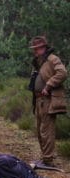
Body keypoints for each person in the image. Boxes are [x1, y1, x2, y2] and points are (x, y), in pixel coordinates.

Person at [29, 36, 68, 167]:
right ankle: (45, 158)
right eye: (34, 49)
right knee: (40, 131)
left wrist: (49, 85)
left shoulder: (52, 59)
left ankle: (48, 160)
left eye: (37, 49)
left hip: (48, 100)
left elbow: (62, 73)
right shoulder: (39, 61)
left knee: (46, 131)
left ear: (43, 47)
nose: (34, 51)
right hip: (39, 100)